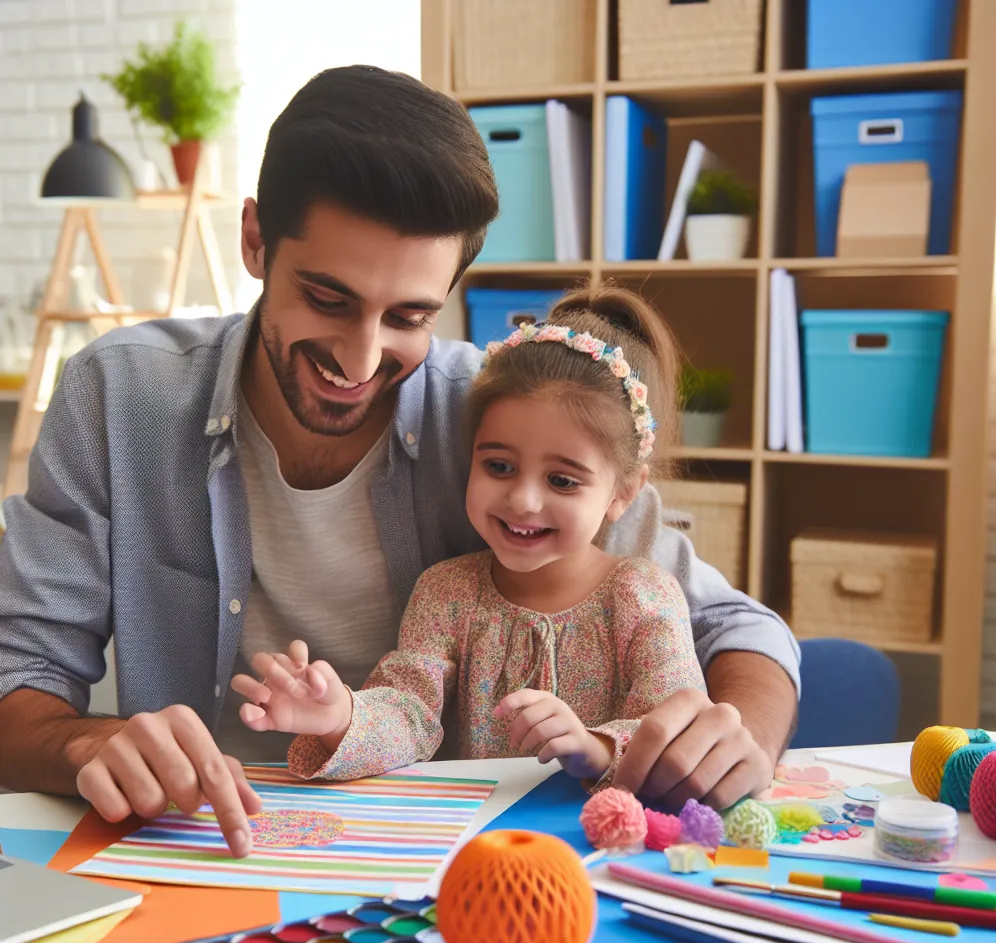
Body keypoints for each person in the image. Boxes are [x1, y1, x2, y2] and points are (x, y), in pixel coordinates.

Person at [0, 66, 799, 860]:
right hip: (198, 846)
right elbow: (21, 676)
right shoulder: (117, 396)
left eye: (409, 315)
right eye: (328, 298)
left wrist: (741, 736)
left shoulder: (500, 421)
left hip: (441, 856)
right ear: (254, 240)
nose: (360, 357)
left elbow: (738, 628)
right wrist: (85, 746)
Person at [230, 288, 707, 786]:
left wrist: (595, 747)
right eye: (499, 466)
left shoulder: (643, 597)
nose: (522, 500)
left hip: (599, 842)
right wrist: (340, 717)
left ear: (624, 492)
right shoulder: (448, 592)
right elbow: (409, 710)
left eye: (562, 481)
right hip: (473, 844)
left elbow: (676, 720)